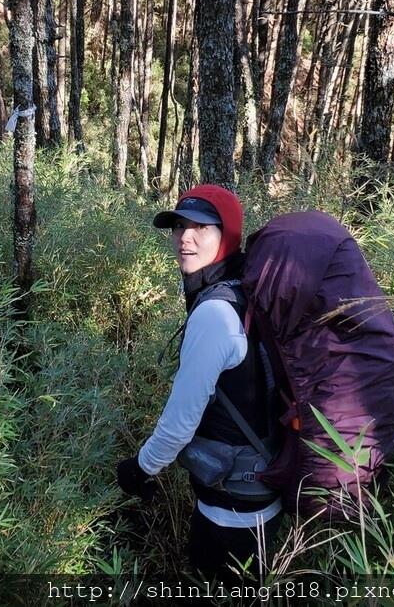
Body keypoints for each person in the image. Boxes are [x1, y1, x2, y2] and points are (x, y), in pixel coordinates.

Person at [116, 185, 283, 582]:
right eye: (179, 226)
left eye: (201, 228)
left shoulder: (214, 314)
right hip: (259, 499)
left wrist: (140, 469)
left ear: (227, 236)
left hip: (231, 516)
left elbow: (179, 423)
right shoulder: (243, 291)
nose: (184, 238)